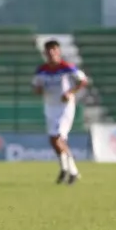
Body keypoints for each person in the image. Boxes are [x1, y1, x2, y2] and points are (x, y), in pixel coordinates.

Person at [32, 39, 87, 184]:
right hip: (50, 107)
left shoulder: (67, 67)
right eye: (48, 52)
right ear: (45, 53)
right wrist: (38, 90)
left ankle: (72, 171)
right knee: (53, 140)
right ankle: (65, 169)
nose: (51, 54)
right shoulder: (41, 70)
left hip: (65, 108)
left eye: (54, 51)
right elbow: (36, 86)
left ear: (58, 52)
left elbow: (83, 80)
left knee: (57, 138)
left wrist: (70, 92)